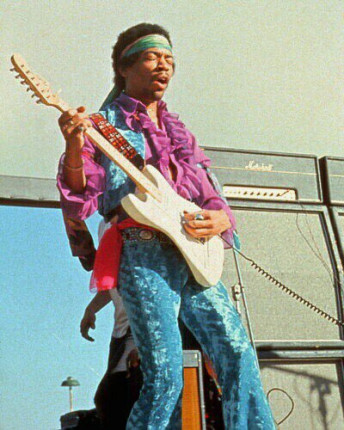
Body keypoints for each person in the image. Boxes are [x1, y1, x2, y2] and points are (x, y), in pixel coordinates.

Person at [57, 23, 275, 429]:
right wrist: (73, 144)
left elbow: (209, 192)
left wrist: (222, 217)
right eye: (153, 57)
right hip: (142, 252)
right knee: (165, 375)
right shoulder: (101, 126)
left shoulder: (180, 132)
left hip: (193, 252)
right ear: (124, 66)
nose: (165, 66)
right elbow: (78, 195)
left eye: (170, 59)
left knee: (239, 354)